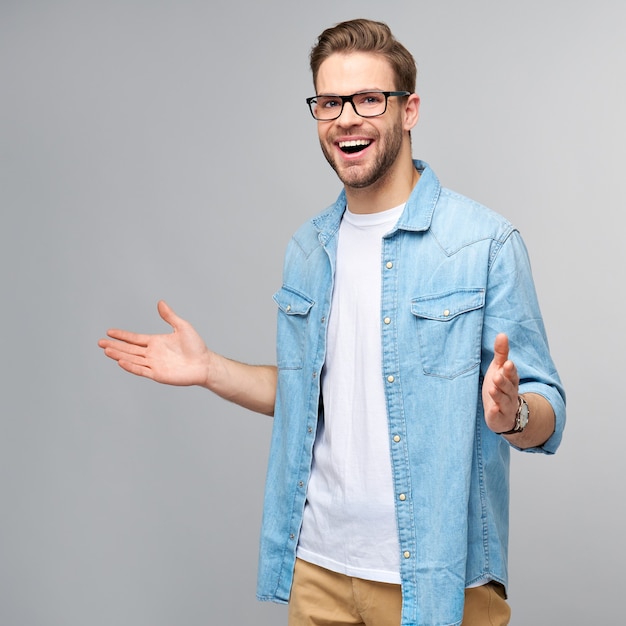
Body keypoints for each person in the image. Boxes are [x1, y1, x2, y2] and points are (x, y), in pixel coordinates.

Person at [98, 18, 565, 626]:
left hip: (437, 580)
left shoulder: (485, 243)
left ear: (408, 110)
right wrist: (209, 368)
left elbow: (547, 410)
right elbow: (307, 392)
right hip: (317, 571)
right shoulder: (308, 247)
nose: (346, 118)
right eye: (329, 101)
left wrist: (513, 415)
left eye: (369, 99)